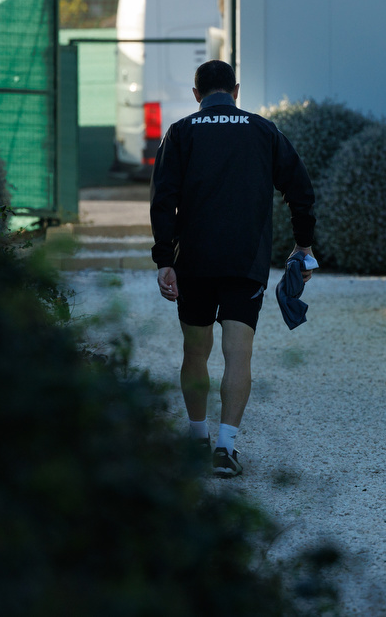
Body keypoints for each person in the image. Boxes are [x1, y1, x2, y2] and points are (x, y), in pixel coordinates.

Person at [150, 59, 316, 478]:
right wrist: (303, 245)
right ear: (236, 90)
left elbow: (162, 200)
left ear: (196, 94)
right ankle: (225, 450)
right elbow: (300, 188)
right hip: (245, 263)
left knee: (195, 351)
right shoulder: (263, 130)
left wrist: (165, 260)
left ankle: (195, 440)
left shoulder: (182, 131)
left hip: (195, 263)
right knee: (238, 356)